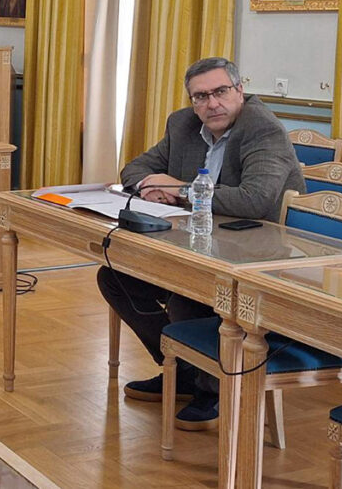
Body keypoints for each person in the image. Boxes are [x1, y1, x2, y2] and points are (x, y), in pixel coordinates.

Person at [98, 57, 304, 430]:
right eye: (201, 96)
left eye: (220, 92)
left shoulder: (263, 130)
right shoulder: (183, 124)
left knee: (187, 294)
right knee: (116, 275)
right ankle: (184, 369)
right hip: (198, 243)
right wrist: (151, 185)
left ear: (239, 90)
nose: (212, 103)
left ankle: (214, 386)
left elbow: (255, 200)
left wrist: (178, 191)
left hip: (259, 255)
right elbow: (134, 169)